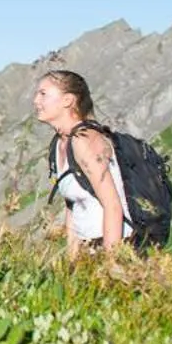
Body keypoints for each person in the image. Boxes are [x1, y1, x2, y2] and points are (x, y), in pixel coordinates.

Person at [32, 69, 130, 254]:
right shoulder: (60, 143)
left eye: (43, 94)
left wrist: (110, 266)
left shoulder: (85, 141)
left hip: (114, 246)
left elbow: (113, 206)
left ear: (68, 100)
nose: (36, 100)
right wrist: (72, 259)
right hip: (89, 250)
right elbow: (72, 206)